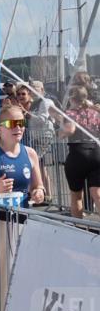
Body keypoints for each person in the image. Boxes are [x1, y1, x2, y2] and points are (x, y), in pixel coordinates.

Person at [60, 86, 100, 218]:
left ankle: (78, 226)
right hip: (96, 152)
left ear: (71, 98)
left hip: (78, 153)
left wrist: (60, 133)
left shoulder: (71, 113)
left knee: (76, 194)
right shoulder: (94, 112)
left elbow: (69, 130)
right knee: (97, 193)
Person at [0, 105, 45, 208]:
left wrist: (39, 192)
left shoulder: (30, 153)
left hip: (22, 218)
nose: (18, 128)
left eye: (21, 123)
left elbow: (38, 186)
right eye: (12, 124)